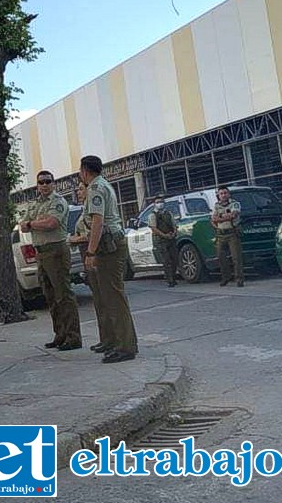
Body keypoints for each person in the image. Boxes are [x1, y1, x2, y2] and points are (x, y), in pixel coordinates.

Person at [79, 155, 138, 363]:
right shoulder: (104, 184)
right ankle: (118, 341)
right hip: (110, 243)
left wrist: (91, 252)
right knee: (110, 296)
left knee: (113, 297)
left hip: (108, 246)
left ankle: (125, 347)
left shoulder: (95, 188)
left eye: (80, 171)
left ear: (85, 170)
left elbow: (98, 221)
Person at [20, 170, 82, 351]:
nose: (44, 185)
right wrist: (34, 222)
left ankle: (73, 336)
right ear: (37, 185)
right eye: (41, 182)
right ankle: (60, 334)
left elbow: (51, 224)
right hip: (40, 252)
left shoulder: (58, 201)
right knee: (50, 296)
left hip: (56, 250)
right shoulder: (35, 204)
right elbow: (22, 225)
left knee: (63, 294)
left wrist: (33, 223)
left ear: (53, 183)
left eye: (48, 181)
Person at [211, 186, 244, 287]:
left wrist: (220, 217)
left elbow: (233, 215)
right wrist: (223, 217)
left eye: (225, 193)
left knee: (236, 258)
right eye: (221, 193)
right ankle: (225, 277)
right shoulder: (217, 205)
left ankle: (239, 279)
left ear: (229, 194)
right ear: (218, 195)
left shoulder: (234, 203)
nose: (223, 195)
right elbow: (213, 219)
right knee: (221, 257)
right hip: (221, 234)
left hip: (232, 233)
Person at [148, 195, 179, 287]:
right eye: (157, 202)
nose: (160, 204)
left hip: (171, 238)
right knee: (166, 260)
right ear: (154, 204)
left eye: (161, 202)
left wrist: (174, 233)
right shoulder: (152, 215)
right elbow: (154, 228)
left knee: (174, 259)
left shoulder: (168, 213)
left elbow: (174, 224)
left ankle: (173, 277)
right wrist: (164, 235)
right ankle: (170, 280)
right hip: (161, 240)